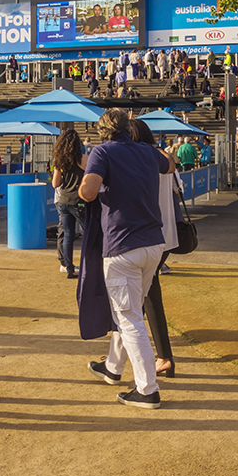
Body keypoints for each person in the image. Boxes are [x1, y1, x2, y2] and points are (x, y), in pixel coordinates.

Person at [80, 109, 171, 409]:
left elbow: (88, 192)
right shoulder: (146, 151)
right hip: (153, 244)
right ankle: (113, 367)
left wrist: (90, 176)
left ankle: (147, 389)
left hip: (122, 245)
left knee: (128, 316)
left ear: (102, 130)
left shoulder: (101, 152)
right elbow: (169, 164)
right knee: (130, 312)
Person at [130, 119, 179, 377]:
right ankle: (160, 355)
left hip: (149, 234)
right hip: (164, 233)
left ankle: (162, 355)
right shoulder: (162, 158)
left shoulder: (143, 159)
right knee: (145, 295)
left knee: (143, 297)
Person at [52, 129, 87, 279]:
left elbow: (55, 183)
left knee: (67, 235)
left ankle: (69, 268)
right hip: (78, 201)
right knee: (88, 233)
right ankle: (89, 265)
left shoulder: (59, 161)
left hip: (63, 200)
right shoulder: (83, 159)